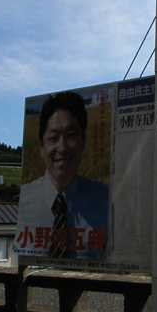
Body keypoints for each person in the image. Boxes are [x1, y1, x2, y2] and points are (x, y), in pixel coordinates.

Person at [14, 92, 109, 259]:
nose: (62, 147)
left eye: (71, 135)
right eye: (53, 138)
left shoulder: (105, 199)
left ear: (84, 141)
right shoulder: (26, 199)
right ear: (42, 147)